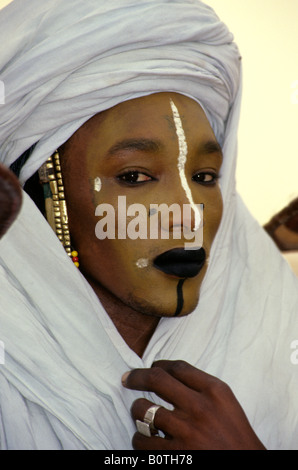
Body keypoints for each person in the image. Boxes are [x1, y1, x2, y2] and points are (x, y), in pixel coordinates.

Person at [0, 0, 297, 451]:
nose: (189, 213)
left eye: (205, 178)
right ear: (46, 195)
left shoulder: (275, 320)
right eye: (135, 177)